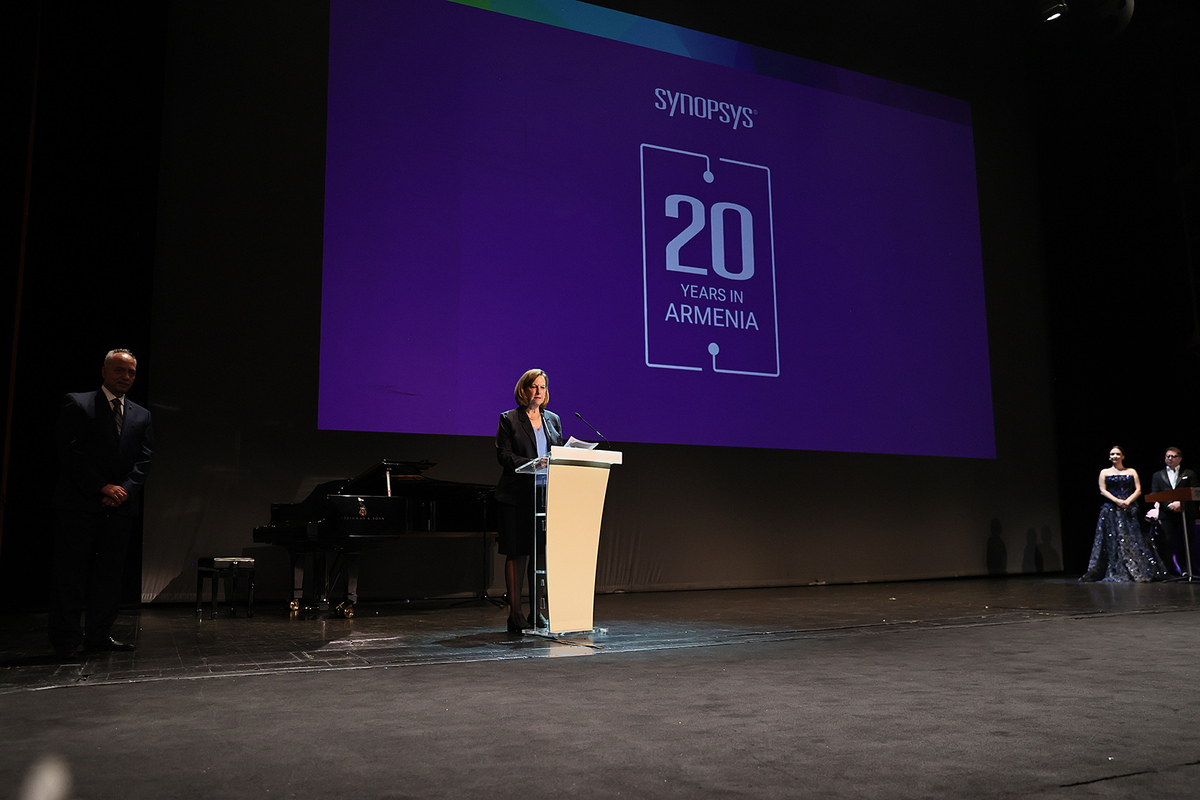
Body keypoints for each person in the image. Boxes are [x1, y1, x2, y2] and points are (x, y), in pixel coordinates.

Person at [48, 349, 154, 658]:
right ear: (105, 371)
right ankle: (66, 640)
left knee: (109, 575)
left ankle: (99, 635)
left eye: (131, 372)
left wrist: (123, 490)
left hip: (119, 508)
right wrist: (102, 486)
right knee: (71, 574)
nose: (126, 376)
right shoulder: (78, 403)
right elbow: (70, 451)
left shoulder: (142, 414)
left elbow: (144, 460)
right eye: (120, 370)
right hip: (79, 504)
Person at [494, 369, 562, 635]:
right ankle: (515, 614)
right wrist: (534, 463)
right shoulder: (509, 419)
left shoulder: (553, 420)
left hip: (544, 496)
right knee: (517, 552)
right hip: (516, 496)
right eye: (534, 386)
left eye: (543, 387)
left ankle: (537, 613)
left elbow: (557, 453)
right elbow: (504, 455)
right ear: (523, 390)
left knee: (539, 555)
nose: (539, 391)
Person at [1081, 445, 1164, 583]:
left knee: (1133, 538)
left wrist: (1128, 501)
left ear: (1123, 456)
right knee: (1113, 539)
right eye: (1112, 454)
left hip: (1130, 509)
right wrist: (1117, 501)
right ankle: (1116, 568)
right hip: (1111, 510)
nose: (1114, 456)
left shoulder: (1131, 471)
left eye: (1117, 454)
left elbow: (1138, 489)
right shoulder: (1104, 472)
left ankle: (1137, 569)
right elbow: (1102, 490)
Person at [1144, 446, 1198, 576]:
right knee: (1166, 542)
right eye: (1167, 456)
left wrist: (1181, 504)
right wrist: (1168, 504)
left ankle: (1187, 570)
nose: (1169, 459)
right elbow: (1155, 493)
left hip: (1185, 513)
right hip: (1166, 513)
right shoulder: (1158, 475)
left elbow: (1195, 492)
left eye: (1173, 456)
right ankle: (1167, 571)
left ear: (1179, 458)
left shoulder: (1189, 473)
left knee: (1187, 542)